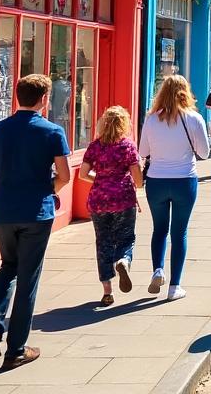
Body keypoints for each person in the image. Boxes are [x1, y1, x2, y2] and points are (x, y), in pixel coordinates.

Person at [0, 74, 71, 369]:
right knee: (28, 278)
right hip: (36, 213)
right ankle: (16, 349)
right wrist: (48, 189)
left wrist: (8, 182)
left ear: (17, 96)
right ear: (44, 99)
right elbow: (65, 176)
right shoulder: (53, 131)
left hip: (3, 210)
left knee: (8, 267)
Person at [139, 74, 210, 301]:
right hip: (184, 180)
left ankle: (157, 269)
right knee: (179, 233)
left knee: (159, 230)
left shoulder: (151, 120)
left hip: (157, 180)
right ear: (185, 92)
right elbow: (205, 153)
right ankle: (174, 286)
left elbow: (142, 152)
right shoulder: (194, 118)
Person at [77, 106, 144, 306]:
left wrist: (101, 179)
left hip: (99, 200)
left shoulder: (95, 146)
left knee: (103, 242)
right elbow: (138, 180)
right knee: (125, 238)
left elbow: (82, 174)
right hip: (123, 198)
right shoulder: (127, 146)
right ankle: (123, 261)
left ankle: (107, 291)